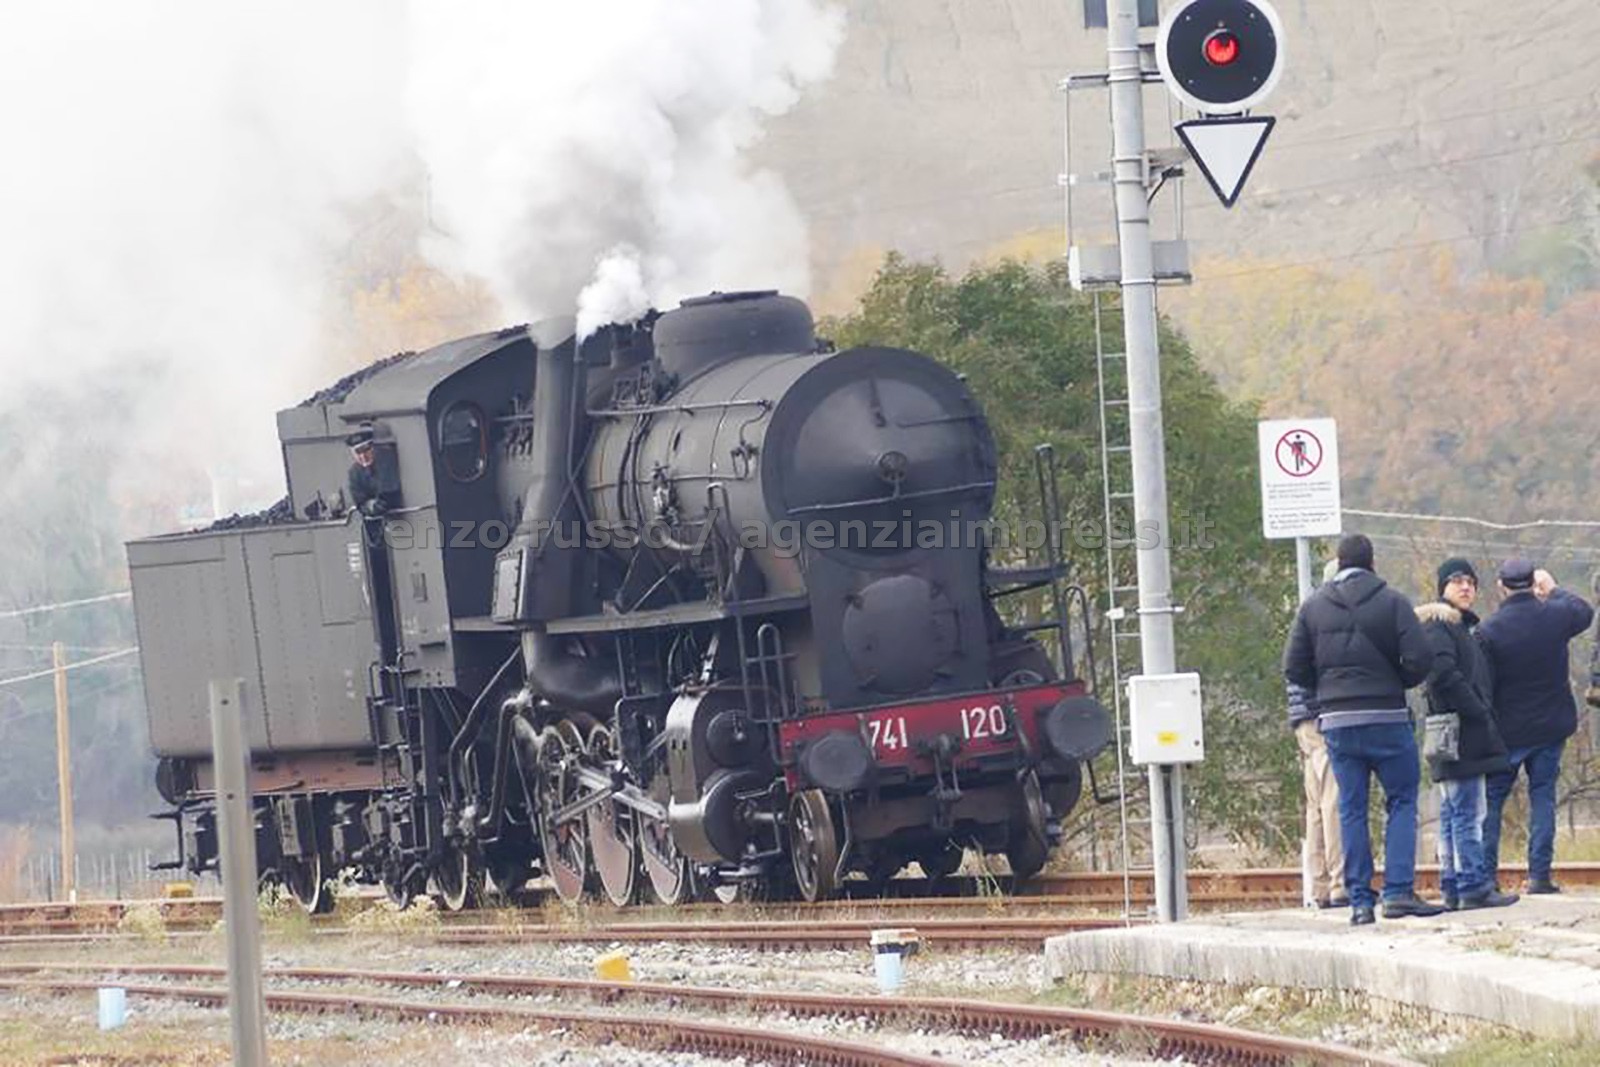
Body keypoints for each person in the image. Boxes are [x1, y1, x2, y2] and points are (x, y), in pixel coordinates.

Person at [1284, 533, 1442, 925]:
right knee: (1402, 801)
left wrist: (1327, 692)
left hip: (1338, 724)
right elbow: (1422, 658)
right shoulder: (1393, 602)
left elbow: (1293, 667)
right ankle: (1398, 893)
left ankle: (1358, 900)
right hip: (1387, 717)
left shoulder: (1313, 607)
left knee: (1351, 808)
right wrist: (1399, 681)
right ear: (1372, 563)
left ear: (1338, 564)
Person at [1477, 558, 1595, 894]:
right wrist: (1554, 588)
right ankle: (1540, 876)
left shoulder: (1490, 629)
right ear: (1533, 584)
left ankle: (1487, 877)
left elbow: (1485, 683)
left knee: (1493, 802)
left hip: (1507, 731)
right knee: (1542, 797)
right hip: (1550, 727)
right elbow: (1584, 611)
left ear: (1501, 586)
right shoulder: (1555, 616)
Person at [1416, 558, 1516, 910]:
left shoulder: (1459, 627)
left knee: (1453, 810)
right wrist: (1476, 708)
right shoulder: (1440, 626)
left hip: (1457, 730)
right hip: (1459, 731)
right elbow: (1442, 673)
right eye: (1457, 580)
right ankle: (1473, 884)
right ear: (1442, 586)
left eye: (1471, 582)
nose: (1465, 587)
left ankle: (1454, 884)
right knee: (1468, 810)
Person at [1288, 560, 1345, 910]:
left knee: (1316, 805)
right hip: (1320, 717)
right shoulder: (1324, 618)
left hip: (1303, 720)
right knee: (1333, 801)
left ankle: (1320, 885)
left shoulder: (1308, 613)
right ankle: (1340, 883)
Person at [346, 427, 387, 516]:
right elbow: (359, 501)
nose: (363, 456)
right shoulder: (355, 473)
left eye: (366, 450)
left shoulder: (387, 464)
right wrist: (370, 506)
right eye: (358, 452)